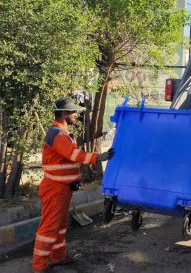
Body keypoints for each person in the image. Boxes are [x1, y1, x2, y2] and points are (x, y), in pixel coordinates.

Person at [32, 98, 115, 273]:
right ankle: (39, 267)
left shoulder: (61, 132)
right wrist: (97, 157)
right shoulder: (57, 134)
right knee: (49, 227)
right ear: (64, 114)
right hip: (55, 188)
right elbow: (72, 154)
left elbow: (65, 161)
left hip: (61, 187)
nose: (76, 115)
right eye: (73, 112)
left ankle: (58, 257)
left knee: (60, 226)